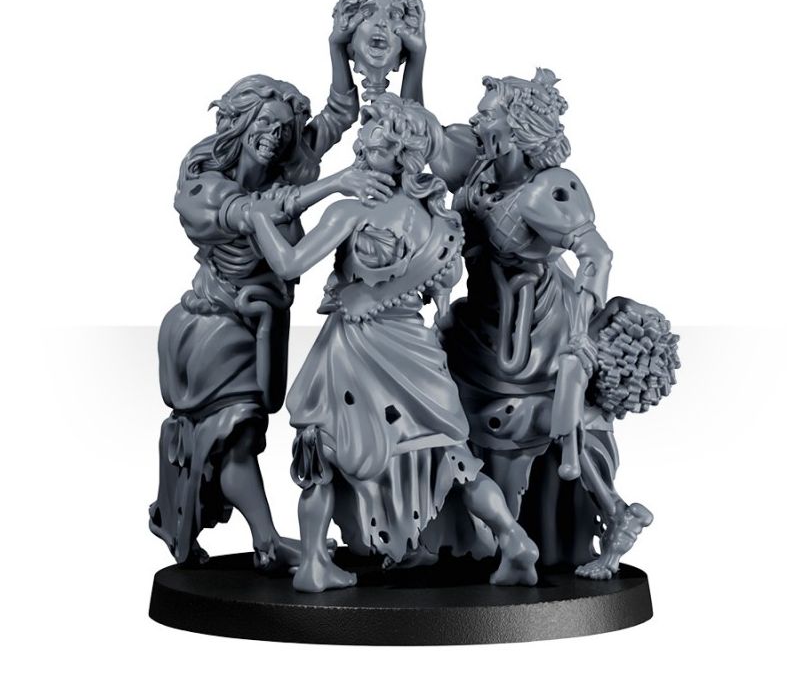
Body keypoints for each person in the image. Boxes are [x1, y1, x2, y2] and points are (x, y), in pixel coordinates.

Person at [246, 94, 540, 592]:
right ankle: (513, 538)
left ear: (401, 157)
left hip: (355, 348)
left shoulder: (349, 211)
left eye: (373, 149)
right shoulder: (438, 221)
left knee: (324, 452)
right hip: (414, 348)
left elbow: (288, 264)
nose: (361, 153)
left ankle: (314, 562)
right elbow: (440, 292)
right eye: (361, 145)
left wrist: (257, 216)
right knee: (453, 456)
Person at [431, 70, 676, 577]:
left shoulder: (546, 190)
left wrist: (581, 334)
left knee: (534, 418)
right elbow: (425, 139)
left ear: (516, 126)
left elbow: (596, 255)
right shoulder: (478, 170)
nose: (476, 119)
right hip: (480, 321)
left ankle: (594, 515)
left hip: (535, 333)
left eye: (488, 114)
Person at [149, 62, 393, 571]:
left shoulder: (285, 163)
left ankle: (262, 539)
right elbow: (257, 212)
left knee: (244, 433)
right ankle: (266, 541)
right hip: (214, 327)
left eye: (283, 128)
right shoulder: (203, 186)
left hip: (256, 324)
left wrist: (341, 45)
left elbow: (339, 112)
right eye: (264, 123)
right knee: (235, 434)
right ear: (240, 122)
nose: (275, 136)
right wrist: (336, 184)